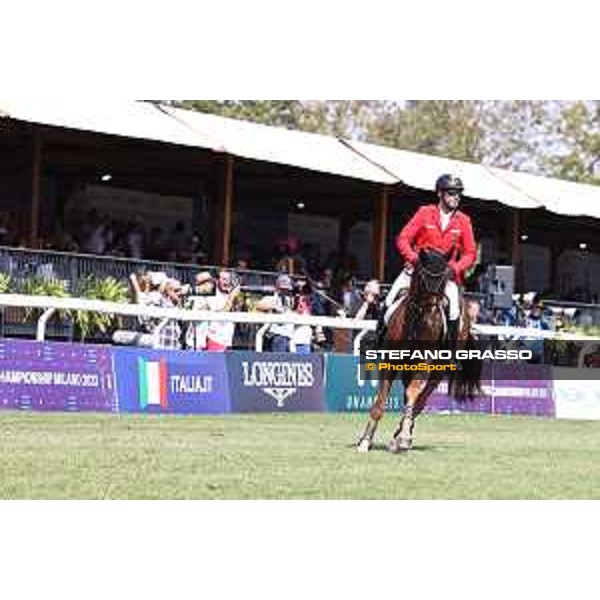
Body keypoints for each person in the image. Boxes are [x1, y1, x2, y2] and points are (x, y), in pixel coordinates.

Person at [378, 174, 477, 344]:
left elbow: (470, 253)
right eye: (452, 193)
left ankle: (450, 354)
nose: (456, 197)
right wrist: (414, 259)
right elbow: (403, 239)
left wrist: (454, 269)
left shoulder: (464, 221)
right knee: (388, 301)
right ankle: (378, 341)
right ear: (440, 193)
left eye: (458, 194)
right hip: (416, 270)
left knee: (454, 309)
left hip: (444, 276)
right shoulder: (425, 213)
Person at [255, 274, 296, 352]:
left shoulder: (291, 300)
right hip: (278, 335)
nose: (285, 291)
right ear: (277, 288)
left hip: (289, 336)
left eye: (287, 289)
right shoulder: (272, 298)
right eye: (283, 289)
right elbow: (258, 305)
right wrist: (274, 307)